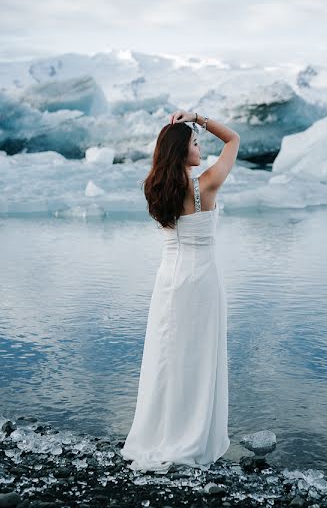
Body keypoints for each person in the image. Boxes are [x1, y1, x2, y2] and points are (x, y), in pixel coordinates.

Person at [120, 109, 240, 473]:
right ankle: (192, 436)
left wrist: (186, 127)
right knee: (198, 359)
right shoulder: (204, 185)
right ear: (181, 150)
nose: (200, 146)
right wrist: (199, 118)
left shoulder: (155, 186)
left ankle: (159, 433)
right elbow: (233, 140)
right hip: (201, 281)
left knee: (165, 358)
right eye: (195, 142)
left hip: (167, 281)